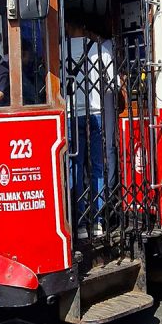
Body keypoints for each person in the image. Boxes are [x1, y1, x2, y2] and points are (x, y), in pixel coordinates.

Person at [66, 20, 117, 239]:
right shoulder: (101, 49)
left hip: (70, 115)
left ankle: (79, 224)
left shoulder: (61, 48)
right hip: (94, 113)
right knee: (97, 167)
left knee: (75, 168)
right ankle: (97, 222)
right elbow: (111, 86)